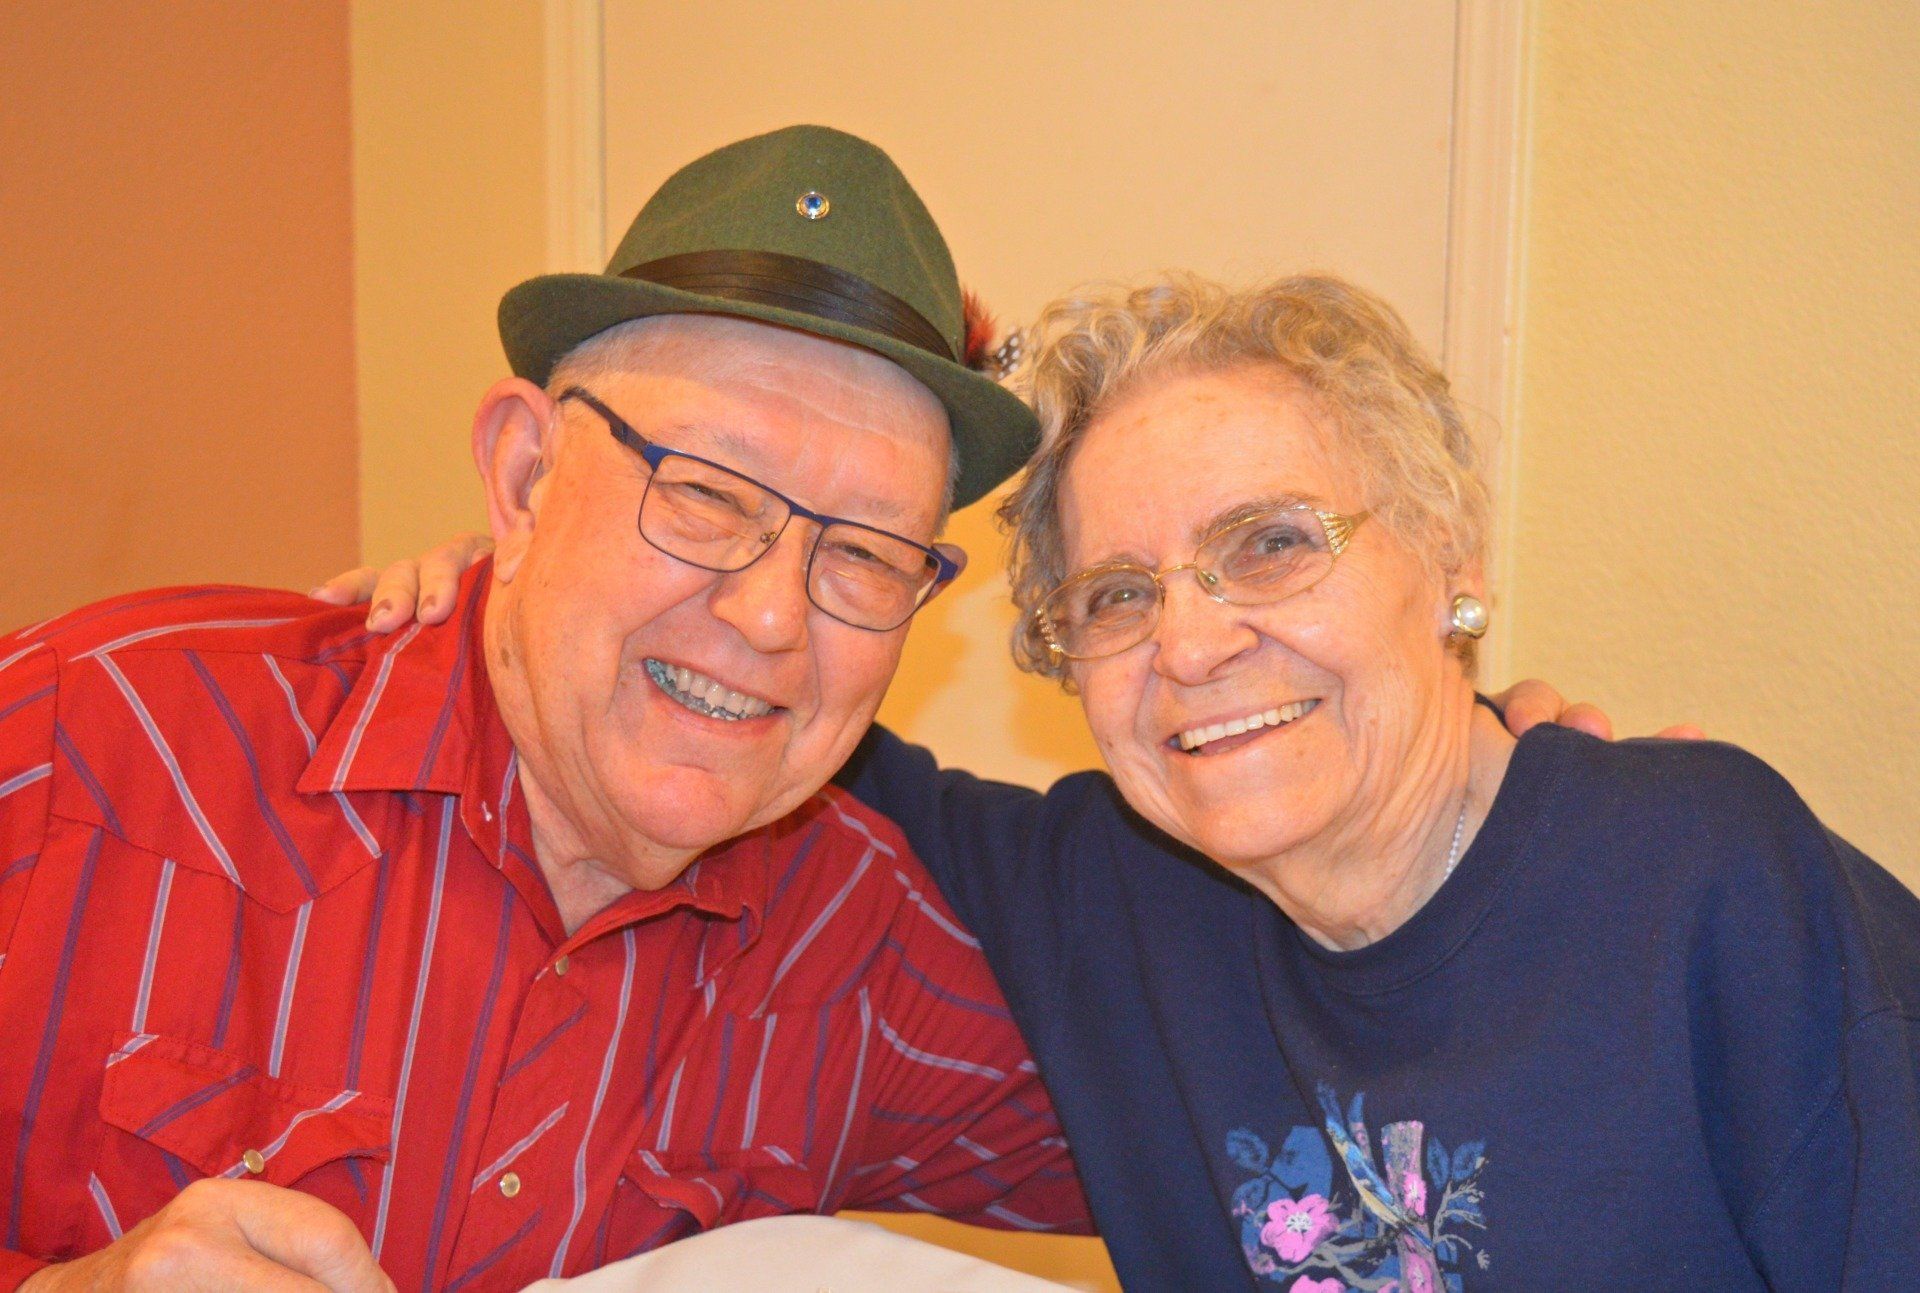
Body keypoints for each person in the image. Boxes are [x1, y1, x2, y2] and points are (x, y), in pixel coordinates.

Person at [368, 273, 1919, 1290]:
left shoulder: (1710, 886)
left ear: (1451, 555)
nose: (1191, 643)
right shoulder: (1111, 896)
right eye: (1117, 594)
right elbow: (761, 710)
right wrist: (551, 582)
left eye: (1272, 543)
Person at [0, 126, 1091, 1293]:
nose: (774, 617)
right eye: (706, 495)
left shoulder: (859, 945)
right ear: (524, 478)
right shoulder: (87, 741)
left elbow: (1218, 1155)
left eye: (866, 555)